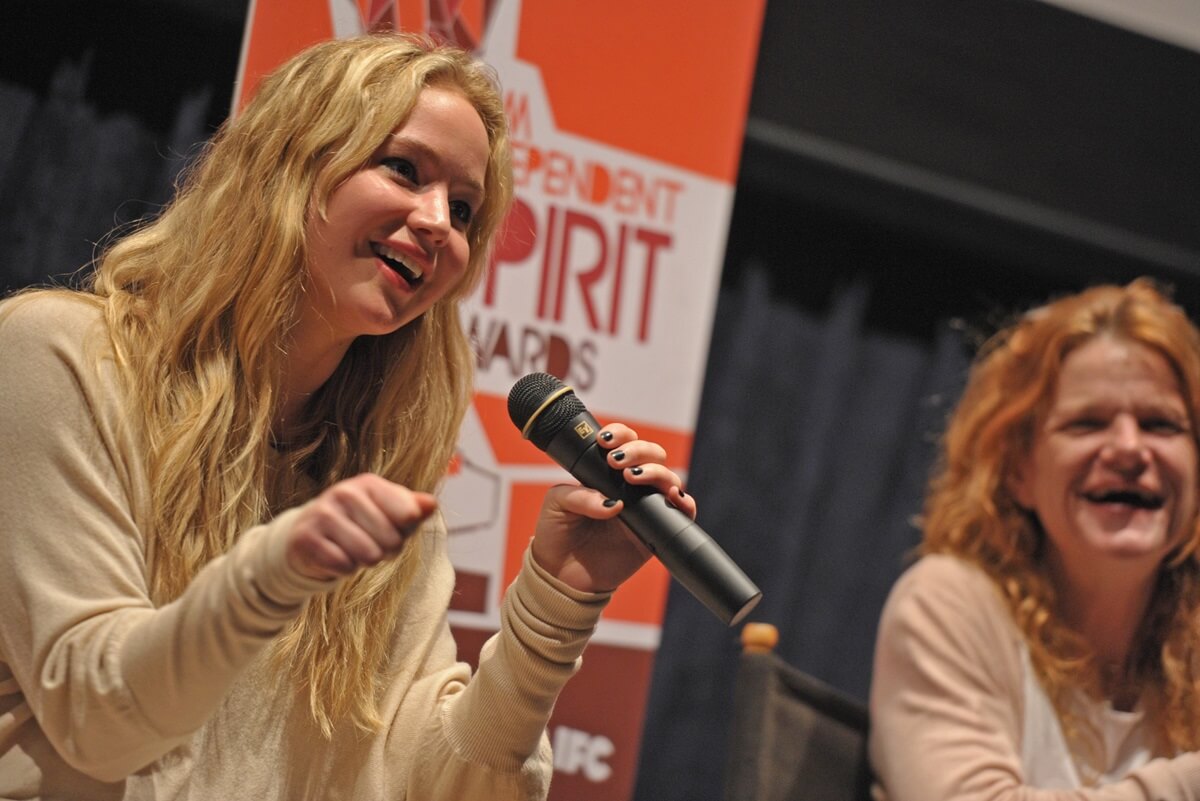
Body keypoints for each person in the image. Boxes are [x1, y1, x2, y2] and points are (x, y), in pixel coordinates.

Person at [0, 33, 695, 799]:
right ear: (289, 166)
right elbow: (99, 720)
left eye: (464, 210)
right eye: (404, 169)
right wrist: (274, 574)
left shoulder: (381, 482)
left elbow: (442, 783)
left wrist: (557, 602)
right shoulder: (62, 359)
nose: (439, 223)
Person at [869, 279, 1200, 800]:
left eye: (1160, 424)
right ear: (1018, 469)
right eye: (1087, 423)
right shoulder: (949, 604)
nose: (1130, 449)